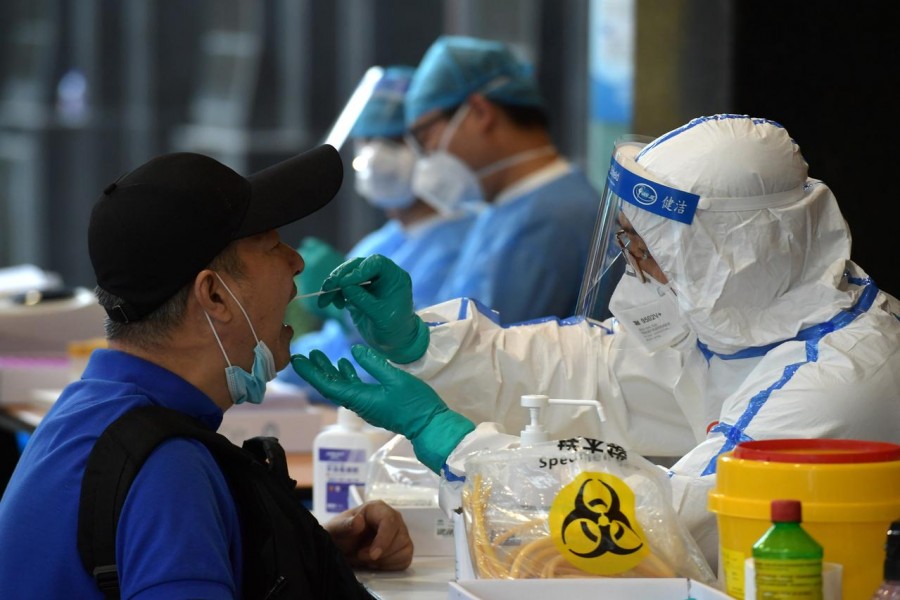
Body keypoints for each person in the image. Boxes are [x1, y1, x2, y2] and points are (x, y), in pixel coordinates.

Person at [291, 114, 900, 568]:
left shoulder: (837, 380)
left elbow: (671, 524)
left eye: (649, 248)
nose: (632, 266)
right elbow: (585, 371)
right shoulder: (736, 322)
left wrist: (454, 442)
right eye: (628, 241)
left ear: (733, 256)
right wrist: (424, 344)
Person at [0, 146, 413, 598]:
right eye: (273, 245)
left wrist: (305, 554)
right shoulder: (166, 470)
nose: (297, 262)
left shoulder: (90, 414)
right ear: (214, 296)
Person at [279, 66, 475, 390]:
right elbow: (338, 347)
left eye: (396, 140)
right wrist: (278, 364)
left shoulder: (462, 242)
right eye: (367, 139)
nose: (376, 157)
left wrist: (349, 309)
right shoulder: (381, 244)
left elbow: (425, 352)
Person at [404, 35, 600, 322]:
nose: (426, 158)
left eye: (425, 139)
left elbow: (480, 357)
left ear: (481, 112)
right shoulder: (508, 209)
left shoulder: (550, 221)